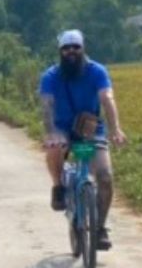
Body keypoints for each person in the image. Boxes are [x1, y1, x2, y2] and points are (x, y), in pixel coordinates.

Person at [39, 29, 128, 250]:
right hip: (62, 129)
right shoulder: (51, 76)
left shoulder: (96, 71)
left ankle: (100, 229)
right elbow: (47, 105)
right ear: (60, 51)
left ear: (83, 48)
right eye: (66, 48)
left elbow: (107, 98)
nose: (71, 52)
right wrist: (51, 132)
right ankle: (58, 186)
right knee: (54, 149)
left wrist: (115, 128)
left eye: (75, 47)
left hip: (90, 130)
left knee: (105, 178)